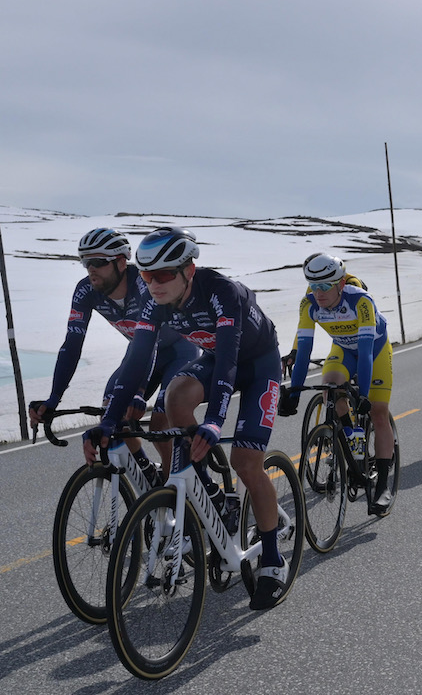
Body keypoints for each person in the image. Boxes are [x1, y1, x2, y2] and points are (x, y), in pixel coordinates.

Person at [87, 227, 290, 611]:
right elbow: (136, 363)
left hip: (259, 363)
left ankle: (273, 559)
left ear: (188, 270)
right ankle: (212, 494)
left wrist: (214, 420)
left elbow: (230, 361)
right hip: (216, 359)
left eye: (163, 275)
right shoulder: (154, 303)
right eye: (146, 276)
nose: (154, 284)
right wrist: (109, 420)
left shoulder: (221, 291)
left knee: (247, 463)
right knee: (174, 398)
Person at [29, 228, 203, 483]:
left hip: (179, 350)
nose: (91, 269)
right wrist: (53, 398)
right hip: (139, 353)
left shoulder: (144, 285)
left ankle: (176, 487)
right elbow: (72, 344)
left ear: (121, 262)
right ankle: (149, 476)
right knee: (111, 414)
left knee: (160, 424)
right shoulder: (85, 291)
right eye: (86, 262)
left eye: (98, 262)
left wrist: (139, 390)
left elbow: (149, 344)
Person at [278, 253, 396, 515]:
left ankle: (383, 485)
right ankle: (351, 441)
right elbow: (305, 347)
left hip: (373, 351)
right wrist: (295, 393)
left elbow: (365, 352)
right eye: (313, 285)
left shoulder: (360, 300)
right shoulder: (308, 303)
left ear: (340, 284)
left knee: (377, 411)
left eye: (324, 286)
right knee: (329, 388)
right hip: (343, 349)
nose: (317, 292)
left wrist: (363, 395)